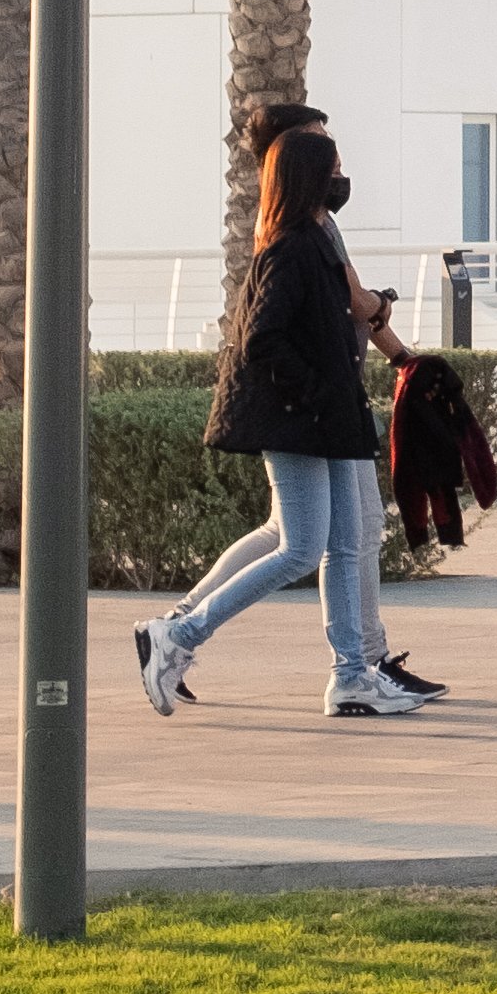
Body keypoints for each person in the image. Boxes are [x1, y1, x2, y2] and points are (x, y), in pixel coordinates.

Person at [133, 120, 426, 721]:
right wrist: (316, 394)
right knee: (300, 548)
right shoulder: (290, 248)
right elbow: (259, 340)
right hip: (302, 421)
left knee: (344, 546)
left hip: (331, 418)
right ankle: (179, 636)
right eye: (335, 167)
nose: (343, 178)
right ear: (309, 176)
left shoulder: (317, 238)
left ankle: (352, 677)